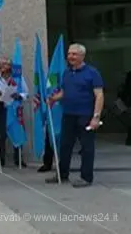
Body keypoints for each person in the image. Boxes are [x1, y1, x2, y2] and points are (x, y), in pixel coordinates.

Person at [46, 43, 104, 188]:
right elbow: (64, 92)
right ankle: (62, 174)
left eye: (74, 54)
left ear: (82, 56)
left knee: (86, 147)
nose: (70, 57)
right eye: (69, 54)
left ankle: (86, 177)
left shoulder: (92, 73)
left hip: (85, 115)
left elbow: (99, 95)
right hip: (68, 114)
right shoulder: (66, 73)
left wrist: (96, 117)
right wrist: (53, 98)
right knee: (65, 145)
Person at [0, 57, 29, 168]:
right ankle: (0, 158)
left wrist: (19, 96)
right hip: (2, 108)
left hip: (15, 109)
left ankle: (19, 158)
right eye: (1, 64)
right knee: (1, 135)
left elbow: (26, 93)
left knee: (17, 132)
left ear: (10, 67)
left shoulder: (18, 78)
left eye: (5, 64)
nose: (2, 66)